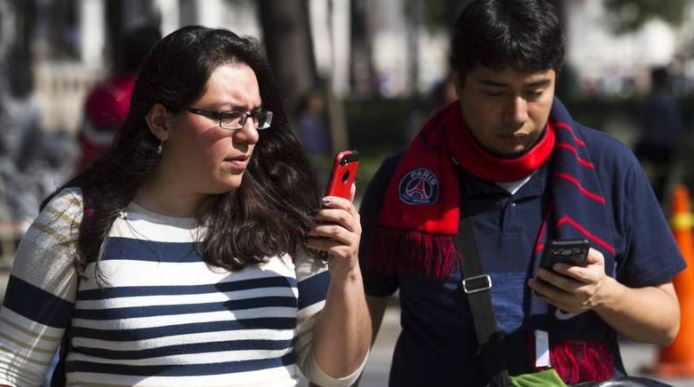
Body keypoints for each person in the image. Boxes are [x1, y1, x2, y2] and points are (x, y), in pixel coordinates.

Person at [0, 26, 370, 386]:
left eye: (256, 115)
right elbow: (11, 371)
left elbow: (335, 375)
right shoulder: (78, 220)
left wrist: (347, 271)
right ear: (162, 121)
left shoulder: (284, 219)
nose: (250, 134)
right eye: (228, 116)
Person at [358, 1, 685, 386]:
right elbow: (356, 331)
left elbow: (666, 323)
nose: (515, 114)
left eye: (534, 91)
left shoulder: (608, 166)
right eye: (493, 92)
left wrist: (604, 294)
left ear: (555, 81)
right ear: (458, 83)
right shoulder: (407, 182)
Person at [74, 25, 162, 173]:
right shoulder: (149, 96)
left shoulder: (98, 92)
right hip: (130, 184)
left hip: (88, 178)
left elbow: (82, 138)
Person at [634, 66, 684, 203]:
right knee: (660, 180)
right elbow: (674, 126)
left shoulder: (651, 99)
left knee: (646, 176)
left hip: (651, 143)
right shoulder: (667, 100)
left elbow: (642, 120)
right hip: (662, 146)